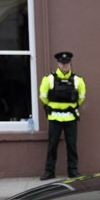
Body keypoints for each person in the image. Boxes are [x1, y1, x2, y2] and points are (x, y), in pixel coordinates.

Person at [39, 51, 86, 180]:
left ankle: (73, 171)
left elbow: (81, 97)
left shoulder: (78, 79)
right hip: (54, 117)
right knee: (52, 144)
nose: (65, 65)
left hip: (70, 117)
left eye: (67, 63)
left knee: (72, 145)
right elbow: (43, 97)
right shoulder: (48, 78)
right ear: (58, 64)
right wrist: (55, 106)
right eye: (62, 63)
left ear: (70, 64)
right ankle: (49, 171)